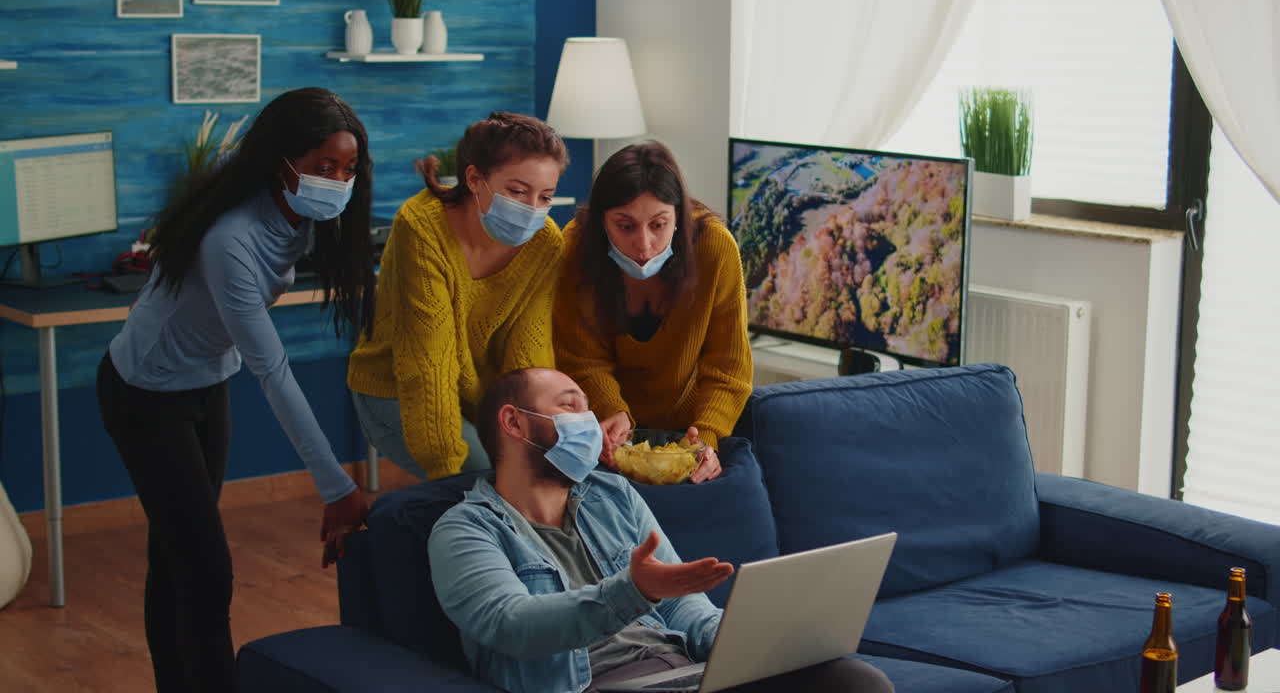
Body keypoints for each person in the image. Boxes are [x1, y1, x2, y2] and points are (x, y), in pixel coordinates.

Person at [96, 87, 376, 693]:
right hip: (145, 392)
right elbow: (272, 370)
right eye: (323, 166)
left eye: (348, 168)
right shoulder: (232, 240)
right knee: (203, 567)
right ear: (283, 161)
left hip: (206, 382)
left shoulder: (301, 215)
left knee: (177, 555)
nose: (337, 180)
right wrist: (337, 487)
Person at [428, 367, 895, 693]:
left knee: (856, 682)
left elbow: (683, 603)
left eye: (589, 410)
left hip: (684, 674)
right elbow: (513, 625)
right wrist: (632, 591)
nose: (588, 423)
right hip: (591, 686)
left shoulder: (613, 495)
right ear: (513, 422)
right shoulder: (465, 531)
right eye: (570, 407)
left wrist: (748, 642)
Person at [346, 112, 567, 481]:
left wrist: (534, 439)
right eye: (516, 191)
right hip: (395, 390)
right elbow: (427, 365)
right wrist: (449, 476)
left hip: (477, 399)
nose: (532, 209)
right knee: (485, 483)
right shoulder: (421, 227)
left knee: (529, 478)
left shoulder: (545, 243)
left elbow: (530, 352)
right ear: (474, 178)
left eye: (545, 196)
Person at [553, 142, 752, 483]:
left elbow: (727, 366)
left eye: (658, 225)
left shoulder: (715, 248)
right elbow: (581, 358)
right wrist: (612, 411)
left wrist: (705, 437)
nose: (644, 246)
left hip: (692, 430)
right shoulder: (575, 247)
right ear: (601, 222)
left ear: (678, 216)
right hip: (607, 430)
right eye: (625, 226)